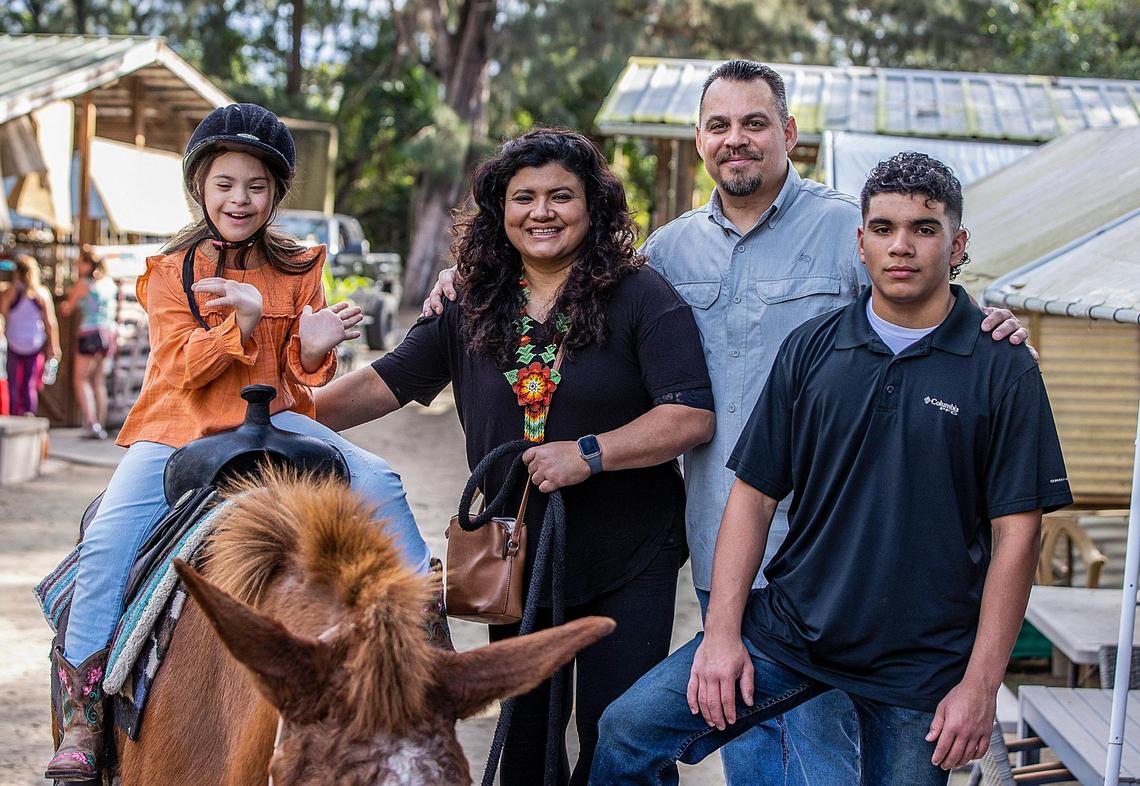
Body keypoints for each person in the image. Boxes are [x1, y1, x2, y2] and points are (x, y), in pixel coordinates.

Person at [424, 60, 1031, 784]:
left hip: (833, 555)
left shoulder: (852, 230)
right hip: (726, 542)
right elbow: (572, 286)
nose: (736, 140)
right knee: (746, 749)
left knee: (816, 756)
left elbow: (926, 298)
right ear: (701, 138)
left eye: (754, 123)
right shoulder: (669, 253)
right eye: (719, 125)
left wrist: (995, 320)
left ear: (790, 134)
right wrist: (471, 275)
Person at [588, 152, 1073, 785]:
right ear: (860, 242)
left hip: (920, 667)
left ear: (957, 245)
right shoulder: (813, 348)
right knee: (625, 732)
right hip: (794, 630)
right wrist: (723, 635)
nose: (901, 246)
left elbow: (1018, 537)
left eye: (924, 230)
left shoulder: (1001, 366)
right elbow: (753, 497)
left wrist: (980, 686)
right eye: (883, 228)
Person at [315, 128, 715, 785]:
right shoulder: (468, 300)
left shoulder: (643, 297)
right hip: (515, 559)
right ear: (501, 210)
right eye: (525, 197)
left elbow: (690, 413)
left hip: (629, 554)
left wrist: (590, 454)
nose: (543, 211)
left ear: (593, 207)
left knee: (619, 736)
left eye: (562, 195)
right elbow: (387, 382)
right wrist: (284, 413)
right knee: (526, 738)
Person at [45, 103, 431, 783]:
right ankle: (86, 710)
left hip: (275, 418)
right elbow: (181, 367)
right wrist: (240, 326)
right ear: (201, 187)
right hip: (180, 425)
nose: (239, 199)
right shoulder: (168, 270)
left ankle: (416, 649)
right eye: (224, 183)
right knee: (107, 539)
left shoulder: (302, 264)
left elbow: (292, 375)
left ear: (276, 194)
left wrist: (313, 353)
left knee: (382, 483)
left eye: (256, 186)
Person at [60, 248, 119, 439]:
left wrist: (65, 303)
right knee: (98, 381)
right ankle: (99, 424)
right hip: (108, 333)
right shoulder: (109, 283)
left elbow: (67, 308)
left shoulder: (84, 284)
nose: (77, 266)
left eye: (80, 262)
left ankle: (92, 424)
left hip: (89, 334)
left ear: (88, 264)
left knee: (80, 379)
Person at [0, 255, 61, 416]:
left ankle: (14, 413)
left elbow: (3, 316)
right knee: (29, 382)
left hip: (13, 341)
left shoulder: (10, 292)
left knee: (12, 380)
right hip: (33, 342)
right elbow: (50, 322)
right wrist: (54, 345)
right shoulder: (41, 293)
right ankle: (28, 412)